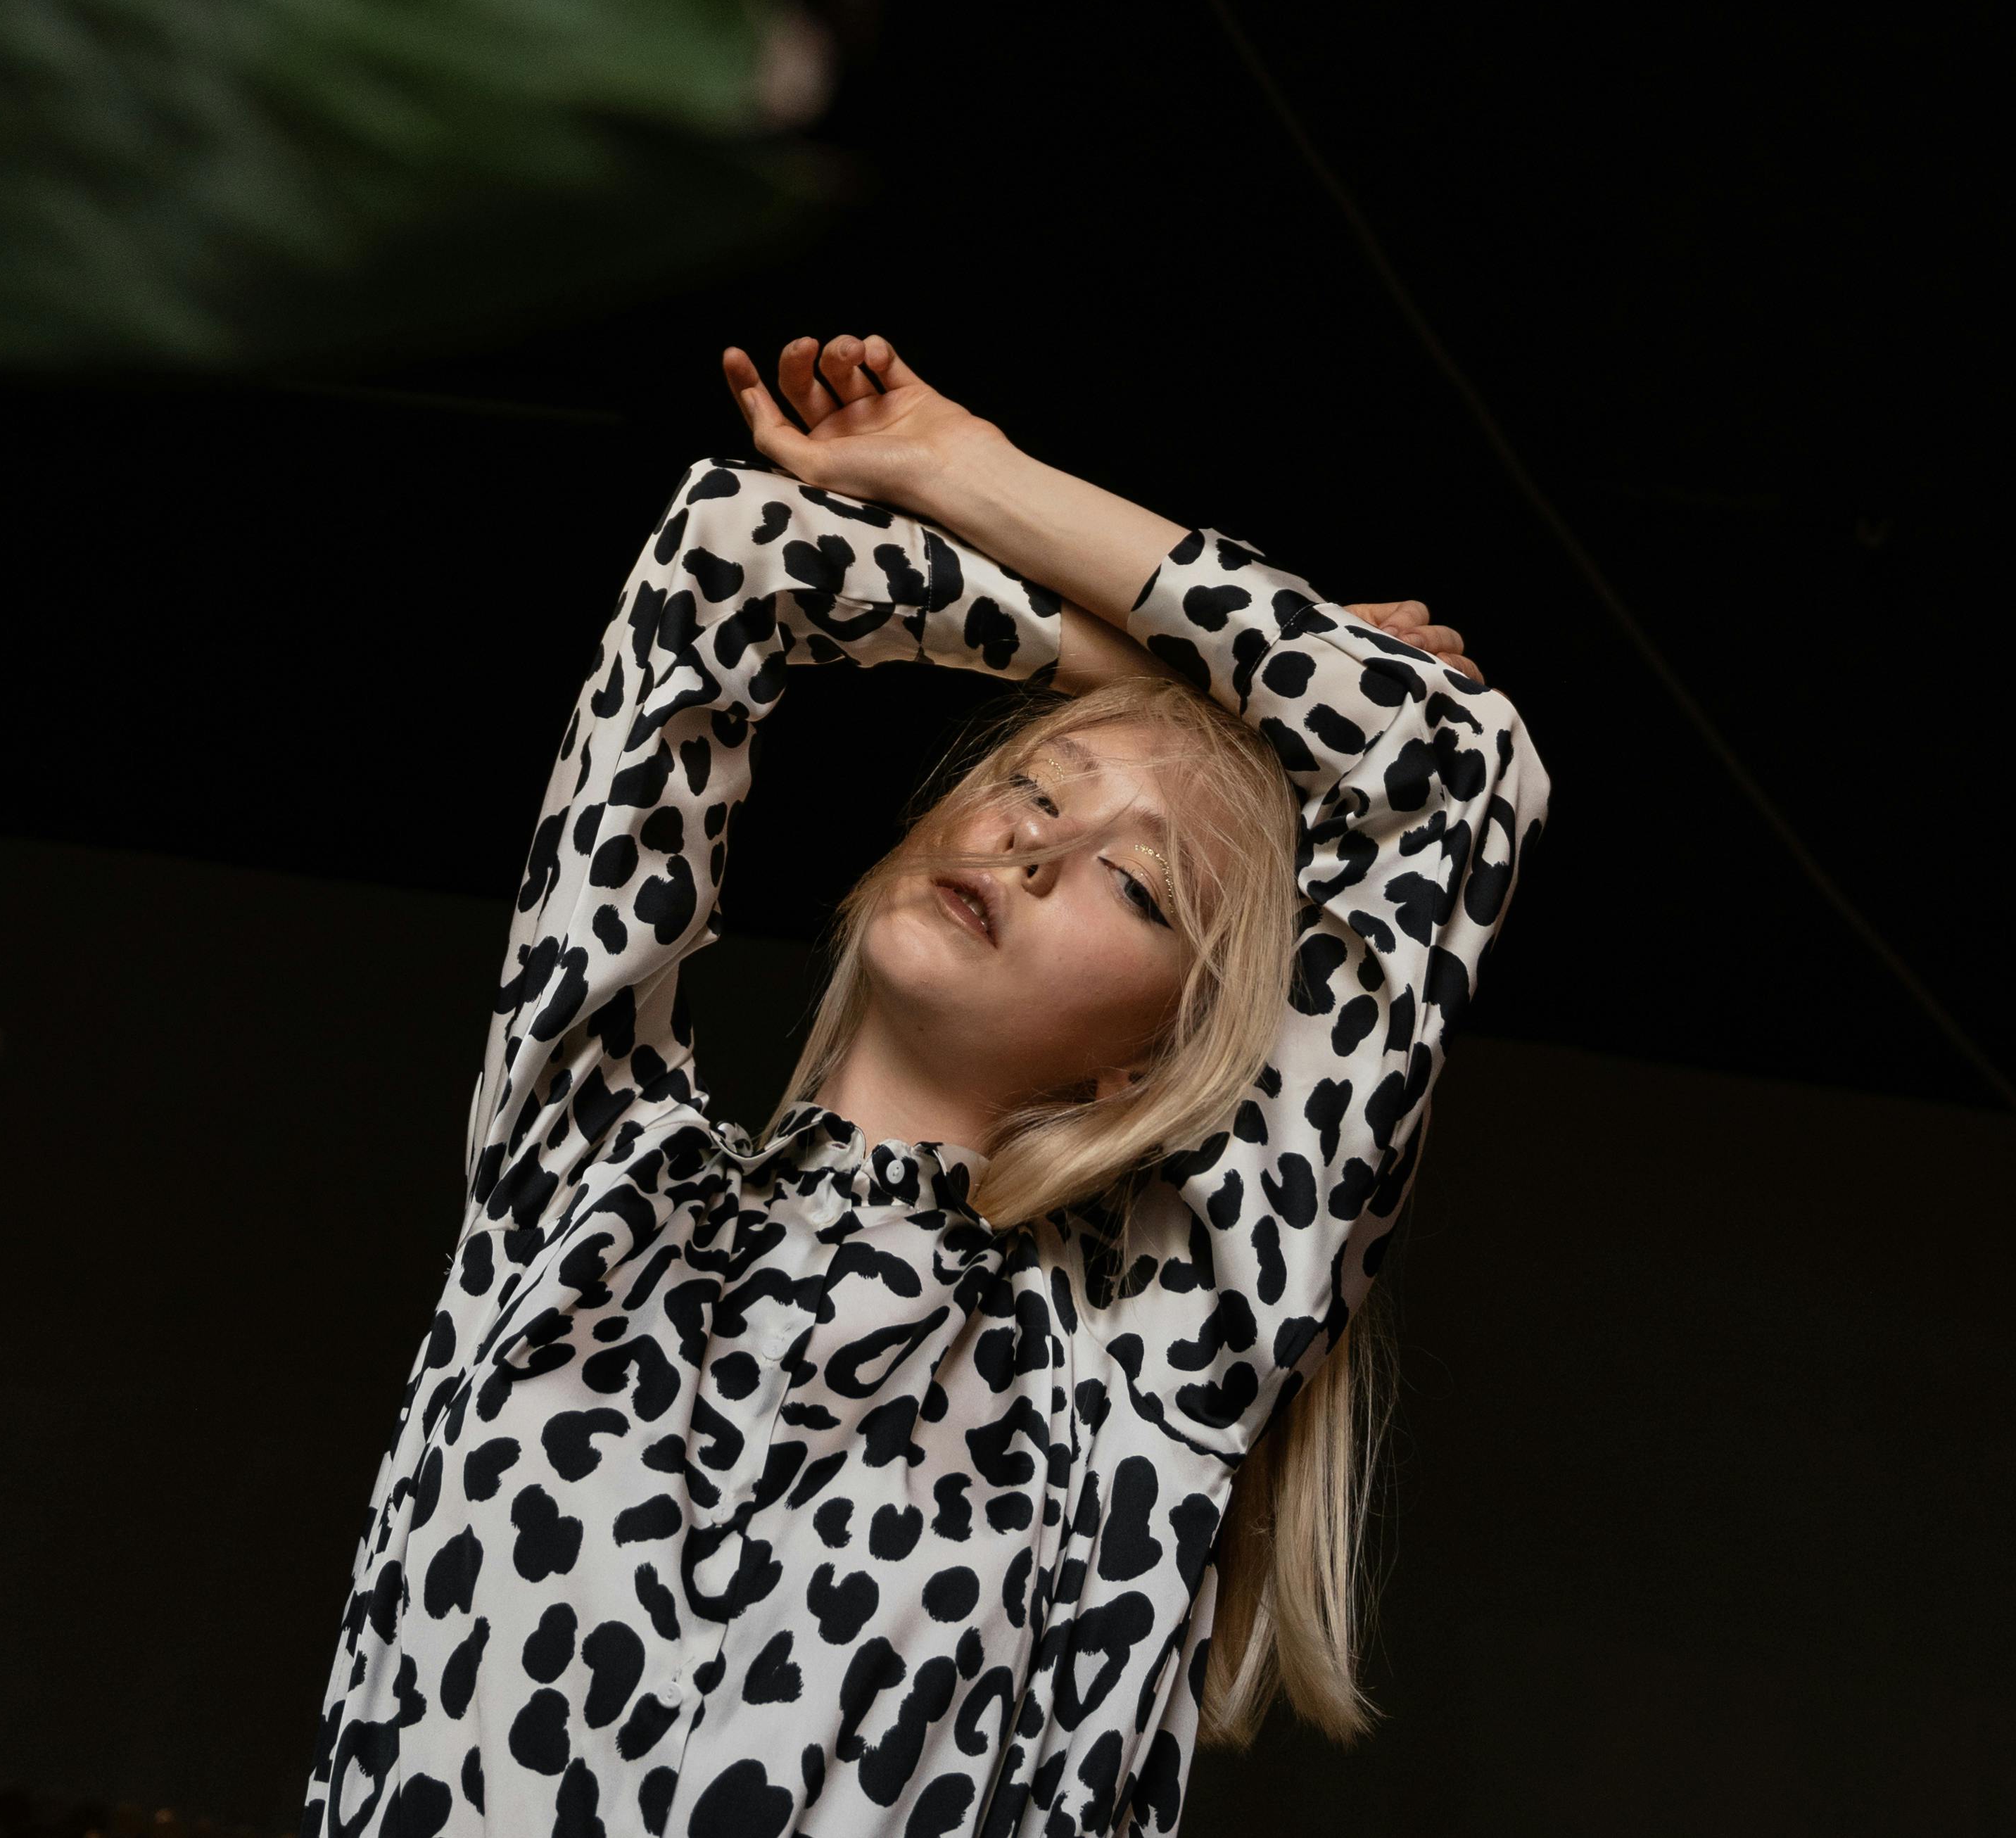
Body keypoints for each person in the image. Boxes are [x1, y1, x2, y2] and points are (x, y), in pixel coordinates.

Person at [305, 331, 1545, 1838]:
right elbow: (727, 557)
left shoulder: (1141, 1355)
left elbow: (1455, 768)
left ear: (1159, 1050)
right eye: (1029, 787)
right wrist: (1184, 698)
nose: (1031, 845)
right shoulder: (581, 1178)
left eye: (1141, 888)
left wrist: (967, 471)